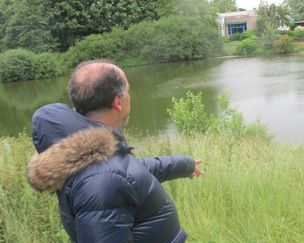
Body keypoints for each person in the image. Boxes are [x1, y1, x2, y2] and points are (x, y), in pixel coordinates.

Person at [26, 60, 203, 243]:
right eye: (127, 91)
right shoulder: (103, 179)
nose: (129, 96)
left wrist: (184, 165)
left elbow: (130, 173)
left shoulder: (91, 154)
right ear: (118, 101)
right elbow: (116, 177)